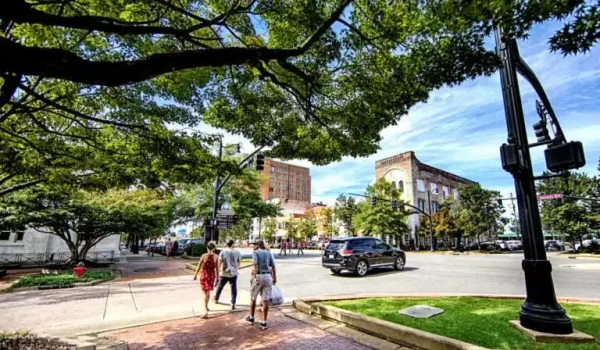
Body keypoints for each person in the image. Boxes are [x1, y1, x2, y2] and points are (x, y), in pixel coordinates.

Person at [245, 240, 277, 330]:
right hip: (268, 276)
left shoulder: (255, 253)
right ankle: (264, 321)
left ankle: (251, 317)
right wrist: (275, 278)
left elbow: (255, 265)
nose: (253, 246)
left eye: (254, 244)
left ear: (258, 245)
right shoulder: (268, 252)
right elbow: (273, 266)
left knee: (253, 297)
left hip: (259, 275)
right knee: (265, 299)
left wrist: (255, 276)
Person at [193, 241, 219, 318]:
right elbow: (217, 269)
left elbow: (199, 266)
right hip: (212, 275)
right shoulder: (216, 257)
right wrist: (218, 278)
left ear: (207, 247)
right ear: (214, 248)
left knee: (204, 293)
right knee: (208, 292)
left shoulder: (204, 255)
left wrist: (195, 275)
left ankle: (204, 312)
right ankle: (206, 307)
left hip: (204, 274)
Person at [215, 240, 241, 310]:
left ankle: (216, 299)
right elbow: (239, 263)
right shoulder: (237, 252)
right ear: (232, 244)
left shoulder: (223, 252)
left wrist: (219, 269)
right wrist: (236, 269)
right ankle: (233, 303)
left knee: (220, 286)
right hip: (233, 273)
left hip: (224, 272)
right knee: (233, 288)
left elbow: (219, 262)